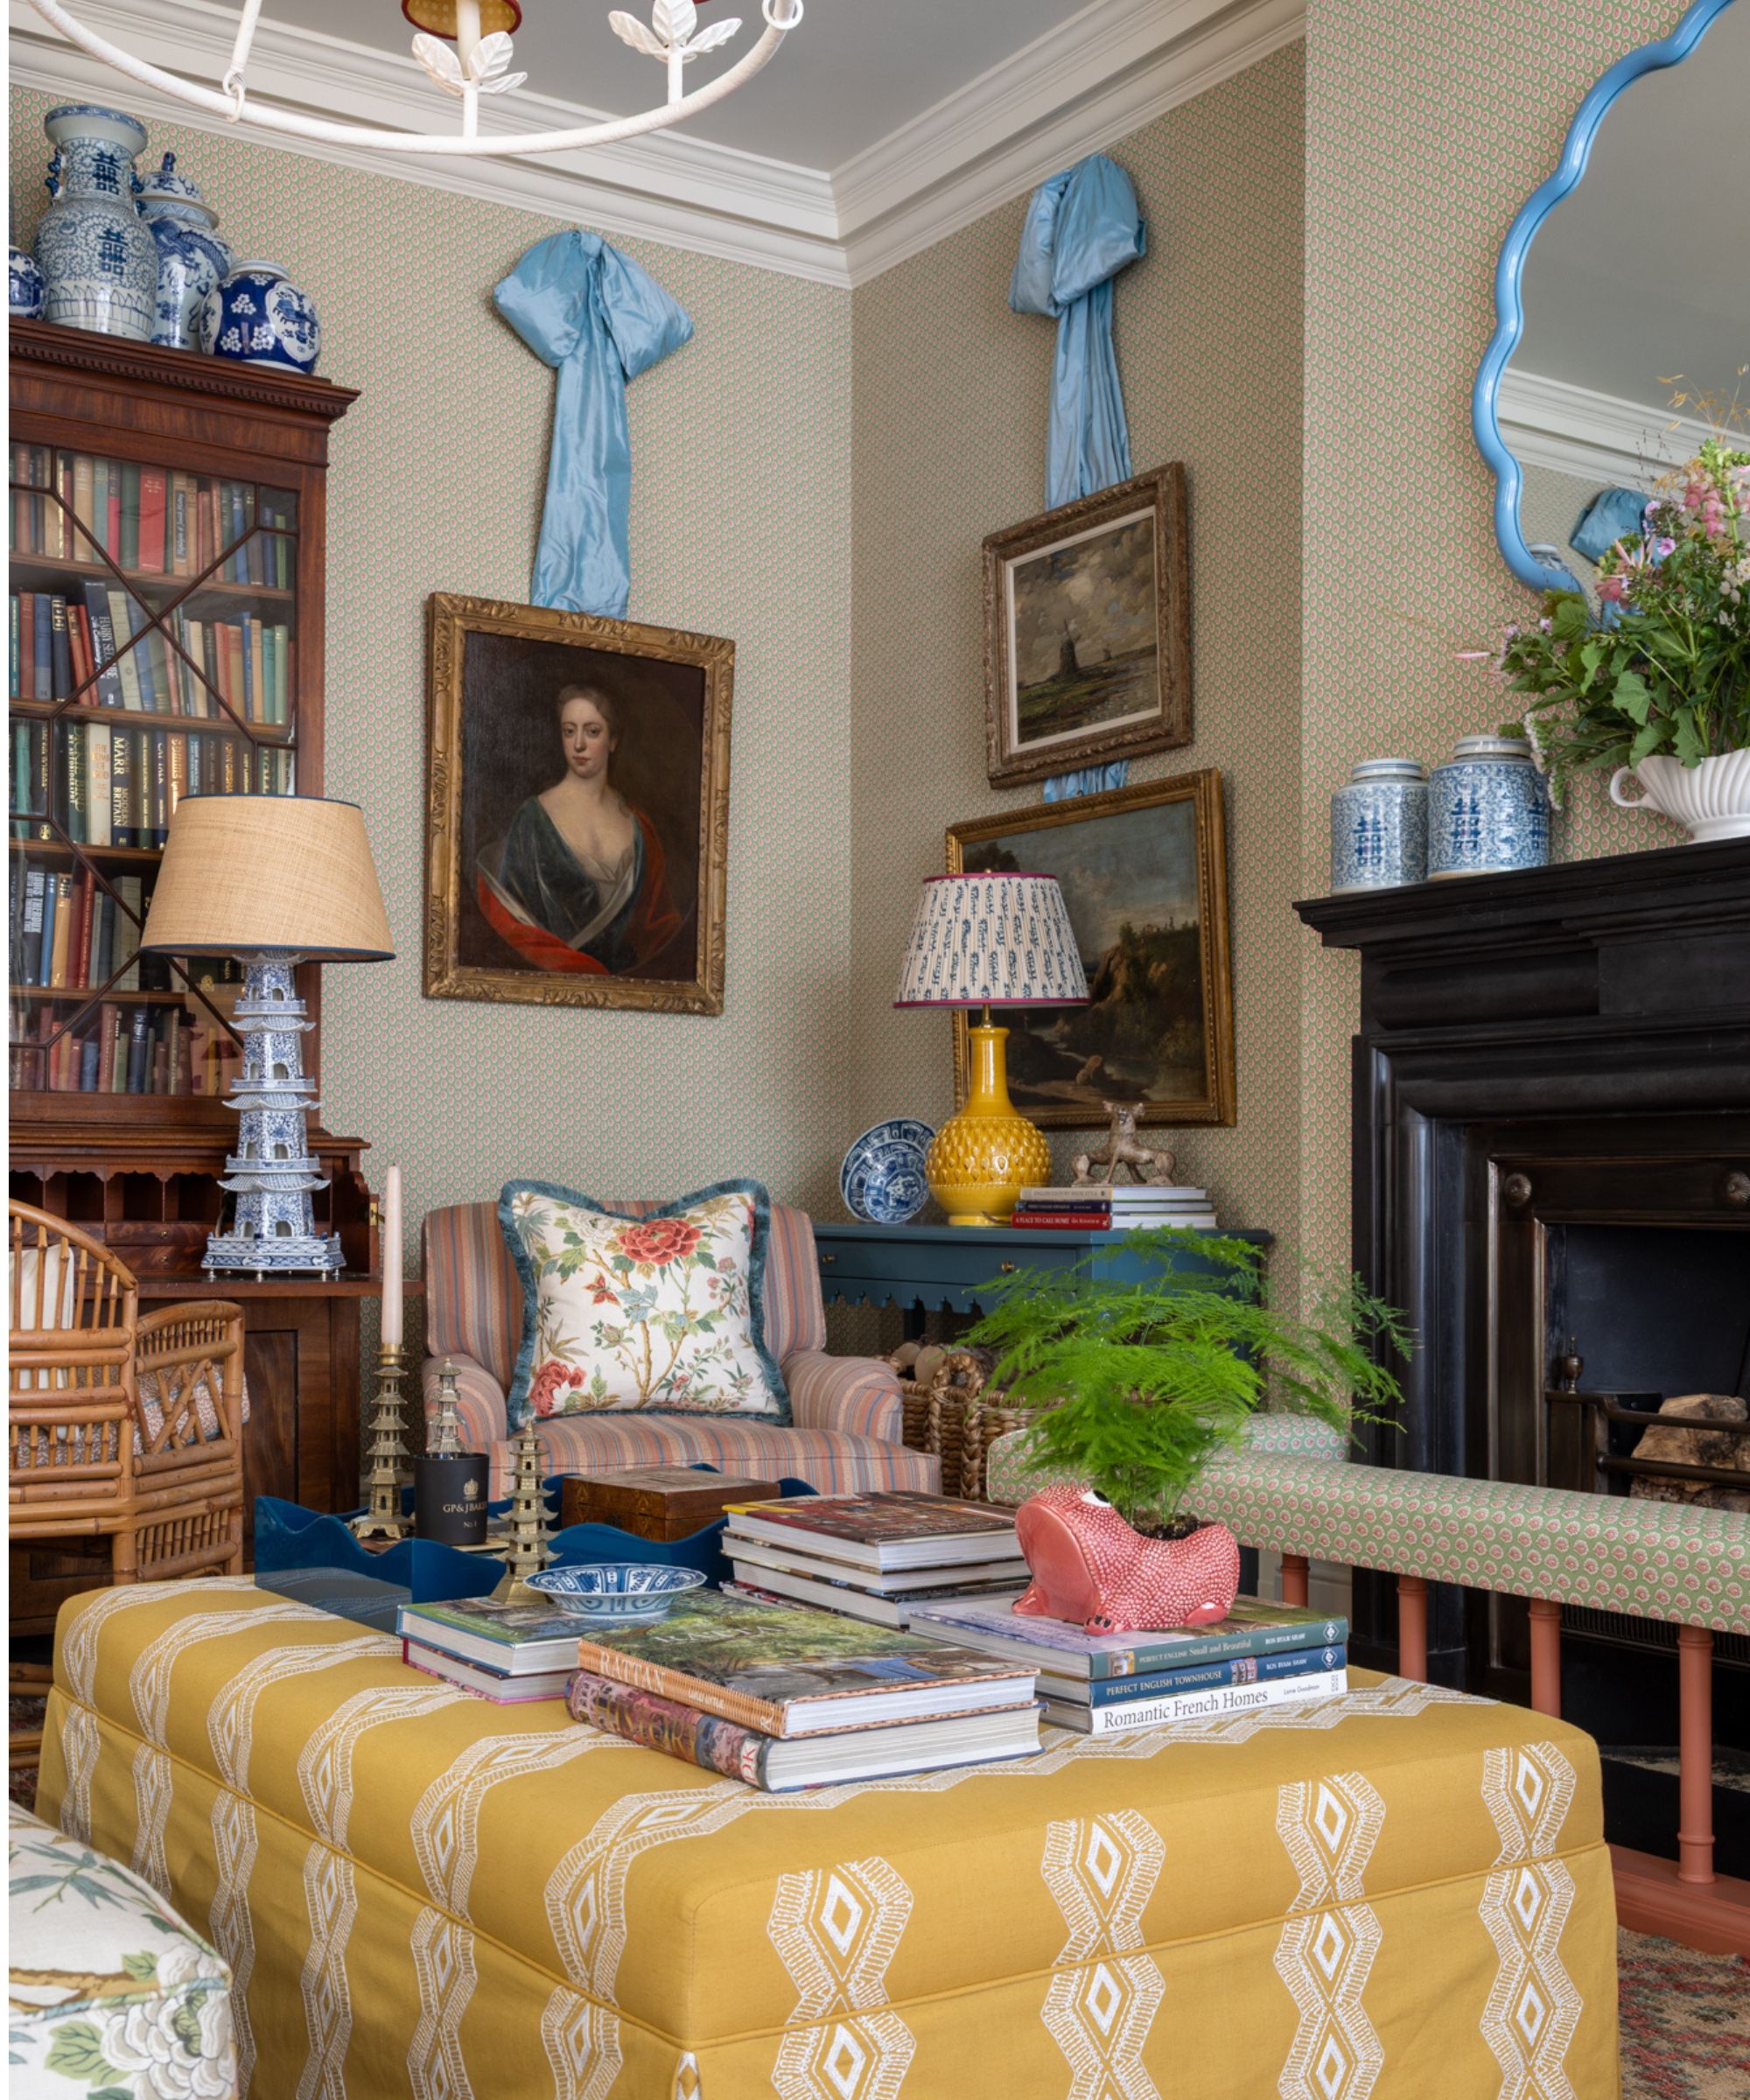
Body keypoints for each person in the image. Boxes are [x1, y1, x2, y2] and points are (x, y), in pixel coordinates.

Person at [480, 684, 684, 974]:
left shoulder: (640, 829)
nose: (578, 745)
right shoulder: (533, 819)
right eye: (568, 731)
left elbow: (660, 930)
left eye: (592, 732)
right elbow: (514, 928)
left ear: (612, 740)